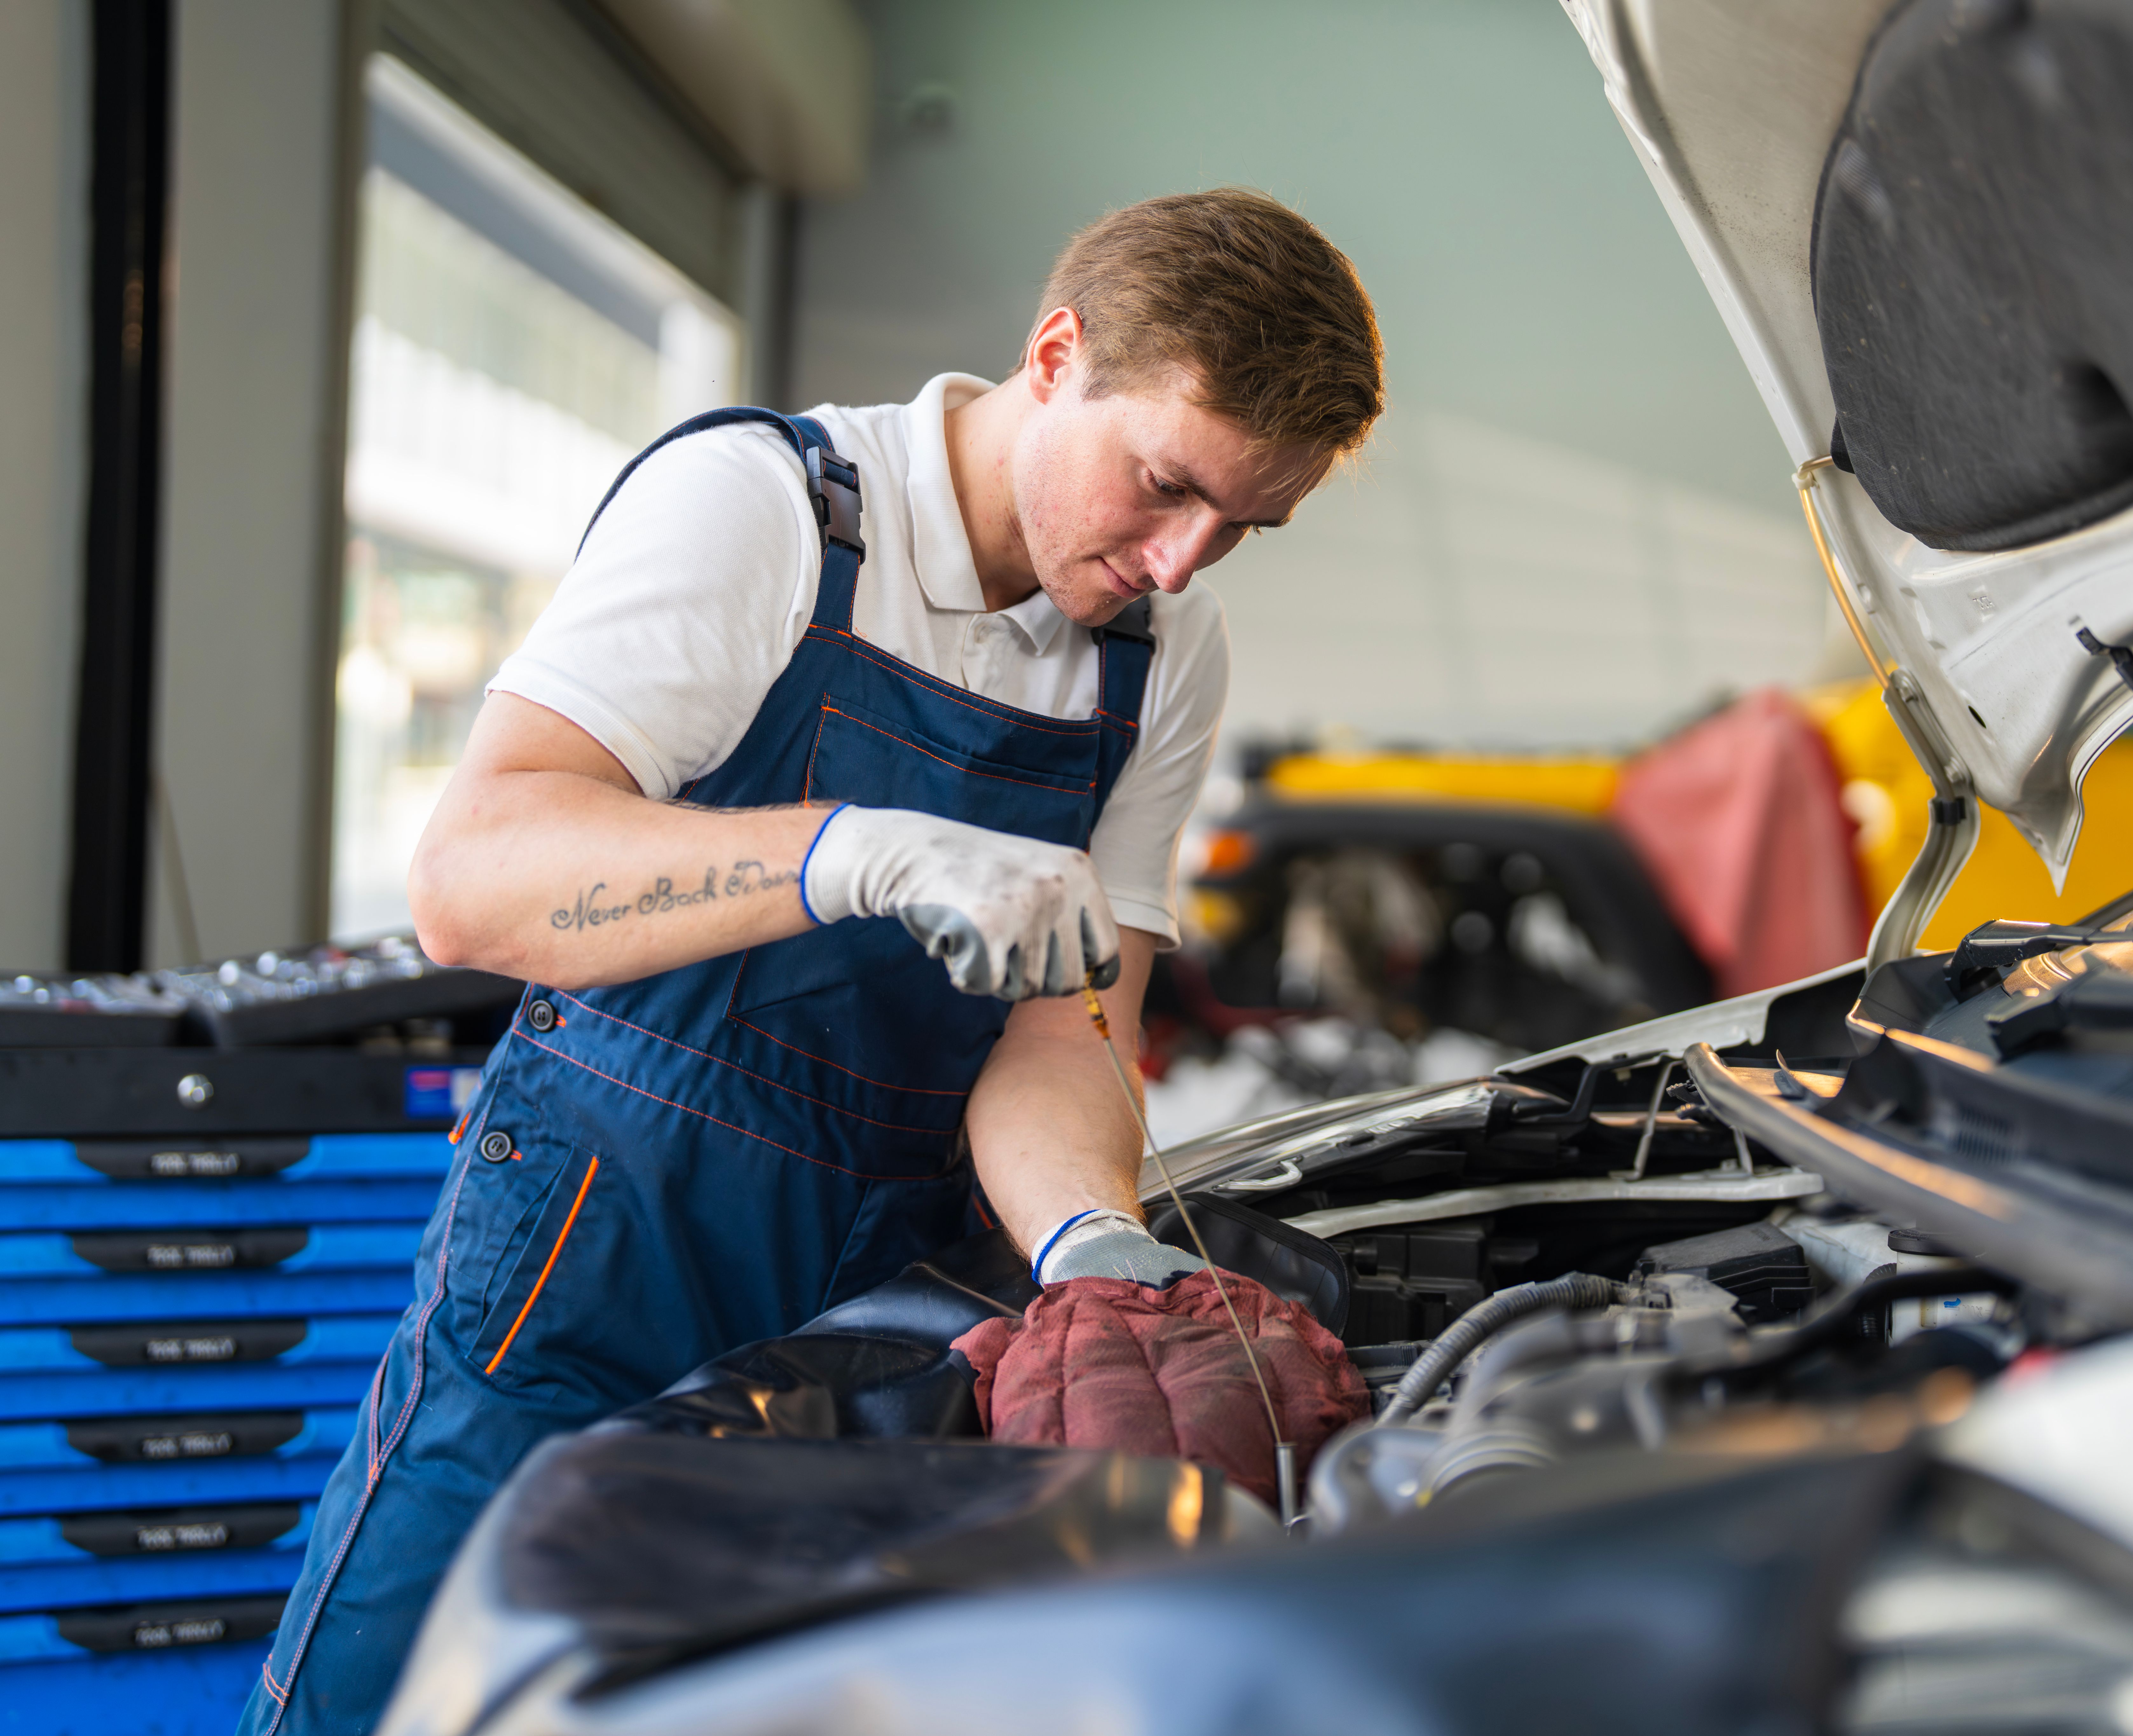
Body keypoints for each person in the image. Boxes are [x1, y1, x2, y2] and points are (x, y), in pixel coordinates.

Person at [242, 188, 1383, 1735]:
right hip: (603, 1232)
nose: (1183, 562)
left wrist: (1092, 1247)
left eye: (1243, 527)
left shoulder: (1159, 657)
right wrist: (842, 851)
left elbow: (1067, 1030)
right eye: (1165, 487)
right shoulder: (765, 509)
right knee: (412, 1690)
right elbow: (470, 878)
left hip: (879, 1294)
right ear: (1056, 356)